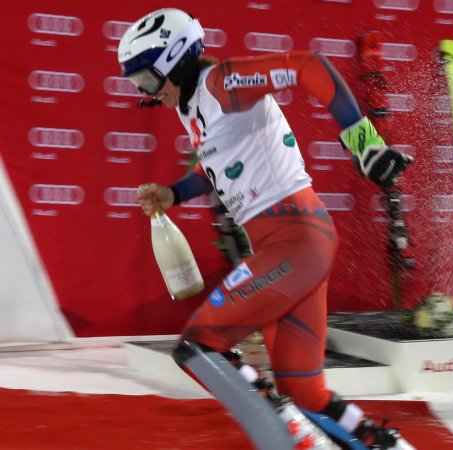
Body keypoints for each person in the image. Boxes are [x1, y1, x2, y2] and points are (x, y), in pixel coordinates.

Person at [118, 8, 413, 450]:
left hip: (294, 242)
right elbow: (221, 163)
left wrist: (364, 140)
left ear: (174, 60)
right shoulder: (197, 102)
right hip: (294, 244)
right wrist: (174, 193)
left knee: (200, 345)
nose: (145, 94)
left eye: (145, 81)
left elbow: (308, 66)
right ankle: (382, 446)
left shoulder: (220, 82)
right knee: (304, 391)